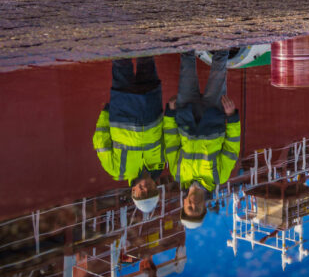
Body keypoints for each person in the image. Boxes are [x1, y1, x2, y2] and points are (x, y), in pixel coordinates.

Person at [163, 51, 241, 230]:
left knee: (187, 63)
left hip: (185, 115)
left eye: (189, 209)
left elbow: (172, 142)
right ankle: (221, 31)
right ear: (204, 208)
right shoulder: (218, 177)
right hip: (214, 115)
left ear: (183, 204)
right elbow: (232, 146)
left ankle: (189, 29)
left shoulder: (178, 174)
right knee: (219, 65)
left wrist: (170, 114)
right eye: (197, 210)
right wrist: (232, 117)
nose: (194, 206)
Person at [93, 58, 165, 215]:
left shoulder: (116, 171)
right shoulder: (160, 163)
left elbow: (101, 142)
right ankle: (144, 36)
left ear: (134, 192)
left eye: (142, 194)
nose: (146, 188)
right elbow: (167, 136)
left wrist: (106, 113)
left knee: (121, 64)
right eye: (151, 192)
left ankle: (121, 37)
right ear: (155, 187)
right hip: (151, 103)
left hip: (123, 109)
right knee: (147, 61)